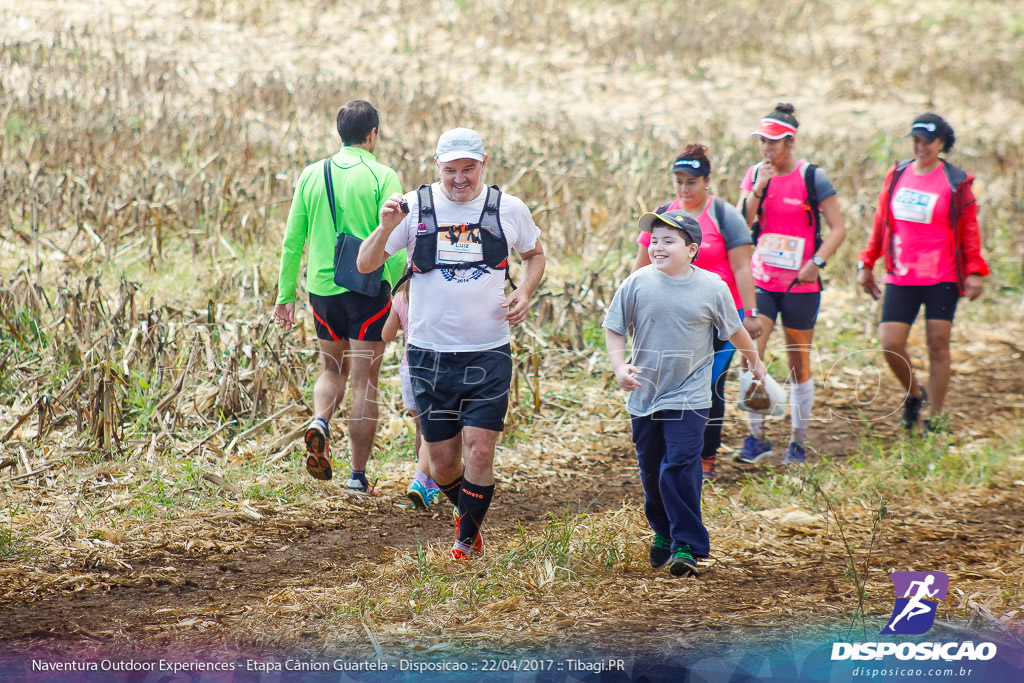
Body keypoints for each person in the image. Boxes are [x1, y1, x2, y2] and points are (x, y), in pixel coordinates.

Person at [357, 127, 546, 560]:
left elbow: (534, 255)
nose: (460, 178)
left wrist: (525, 291)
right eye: (450, 170)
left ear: (483, 164)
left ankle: (464, 542)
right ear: (436, 167)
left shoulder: (508, 208)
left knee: (480, 450)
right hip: (429, 354)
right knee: (442, 464)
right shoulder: (413, 207)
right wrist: (386, 227)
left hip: (488, 351)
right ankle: (470, 520)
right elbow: (365, 262)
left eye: (468, 169)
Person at [605, 210, 766, 577]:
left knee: (679, 465)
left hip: (690, 394)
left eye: (668, 241)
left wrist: (754, 359)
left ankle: (687, 545)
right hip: (645, 392)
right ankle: (663, 531)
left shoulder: (712, 287)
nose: (657, 247)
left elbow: (734, 328)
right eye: (654, 240)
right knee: (651, 469)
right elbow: (614, 328)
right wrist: (619, 367)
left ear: (692, 249)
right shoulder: (636, 283)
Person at [272, 99, 406, 493]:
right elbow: (395, 241)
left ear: (339, 133)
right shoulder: (384, 175)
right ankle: (357, 478)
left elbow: (291, 242)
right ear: (373, 134)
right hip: (369, 291)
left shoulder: (312, 174)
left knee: (332, 370)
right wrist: (396, 289)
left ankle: (320, 421)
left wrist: (285, 296)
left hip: (323, 291)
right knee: (365, 380)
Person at [631, 144, 762, 480]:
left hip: (720, 313)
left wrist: (750, 312)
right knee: (669, 378)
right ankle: (671, 448)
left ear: (706, 181)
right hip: (672, 314)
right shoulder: (664, 214)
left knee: (710, 382)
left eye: (691, 181)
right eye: (678, 181)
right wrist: (631, 304)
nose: (684, 188)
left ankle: (706, 454)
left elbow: (742, 267)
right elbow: (642, 261)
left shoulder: (724, 215)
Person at [857, 113, 988, 433]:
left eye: (927, 141)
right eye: (916, 140)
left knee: (938, 343)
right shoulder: (898, 173)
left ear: (942, 143)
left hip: (942, 275)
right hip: (902, 273)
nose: (920, 147)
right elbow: (881, 221)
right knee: (890, 342)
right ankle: (915, 394)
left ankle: (935, 416)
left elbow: (969, 229)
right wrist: (867, 261)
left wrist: (974, 271)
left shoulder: (956, 181)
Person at [734, 102, 846, 466]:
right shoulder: (755, 175)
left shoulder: (813, 177)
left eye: (774, 142)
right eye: (762, 142)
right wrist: (758, 188)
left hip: (800, 285)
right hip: (762, 281)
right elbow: (738, 225)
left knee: (800, 362)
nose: (767, 149)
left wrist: (817, 263)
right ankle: (756, 437)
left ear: (790, 142)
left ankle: (797, 443)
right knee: (751, 357)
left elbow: (838, 228)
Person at [381, 285, 441, 508]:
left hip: (408, 368)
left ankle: (427, 481)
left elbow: (386, 335)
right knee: (432, 429)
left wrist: (393, 308)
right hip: (433, 367)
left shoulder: (400, 299)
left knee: (421, 428)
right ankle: (423, 481)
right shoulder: (436, 295)